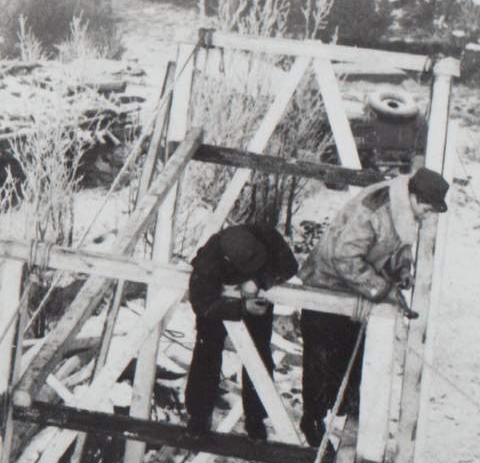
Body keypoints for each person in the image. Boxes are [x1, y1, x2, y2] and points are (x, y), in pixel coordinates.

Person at [298, 167, 450, 446]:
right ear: (414, 197)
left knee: (349, 355)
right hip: (326, 285)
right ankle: (313, 420)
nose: (426, 215)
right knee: (320, 360)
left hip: (352, 289)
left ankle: (345, 415)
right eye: (426, 209)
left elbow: (397, 244)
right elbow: (344, 258)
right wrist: (382, 289)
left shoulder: (402, 209)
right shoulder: (373, 211)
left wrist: (402, 269)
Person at [184, 222, 299, 441]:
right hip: (219, 302)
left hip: (258, 298)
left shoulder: (265, 234)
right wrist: (242, 307)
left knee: (259, 353)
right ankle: (199, 415)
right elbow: (202, 304)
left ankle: (256, 418)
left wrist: (259, 280)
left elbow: (289, 266)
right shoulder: (209, 260)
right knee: (206, 350)